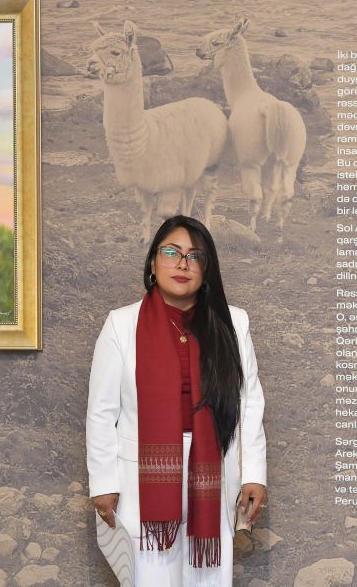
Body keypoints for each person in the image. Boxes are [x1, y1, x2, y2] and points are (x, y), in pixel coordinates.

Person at [86, 215, 267, 586]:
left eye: (194, 256)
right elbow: (101, 412)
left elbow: (249, 404)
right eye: (171, 252)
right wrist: (103, 482)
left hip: (213, 470)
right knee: (149, 574)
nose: (182, 264)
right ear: (153, 263)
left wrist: (253, 475)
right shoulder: (121, 324)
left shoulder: (233, 323)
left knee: (208, 576)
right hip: (141, 476)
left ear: (206, 270)